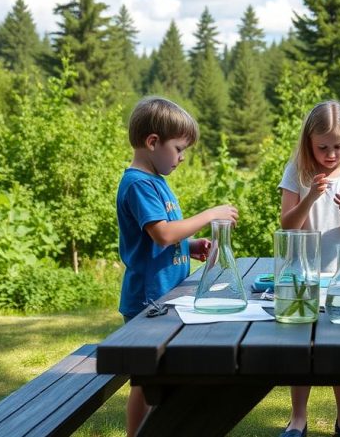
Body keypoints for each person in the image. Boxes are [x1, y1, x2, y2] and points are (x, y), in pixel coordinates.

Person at [116, 96, 238, 437]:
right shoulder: (139, 184)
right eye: (179, 148)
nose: (182, 158)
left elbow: (165, 237)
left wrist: (191, 245)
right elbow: (162, 234)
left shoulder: (156, 182)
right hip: (148, 302)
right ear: (153, 142)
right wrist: (209, 215)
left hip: (165, 296)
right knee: (147, 380)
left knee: (161, 377)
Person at [278, 100, 340, 437]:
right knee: (300, 345)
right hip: (304, 274)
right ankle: (297, 418)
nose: (331, 154)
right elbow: (287, 225)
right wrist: (309, 198)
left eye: (338, 146)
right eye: (322, 148)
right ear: (308, 142)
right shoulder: (298, 172)